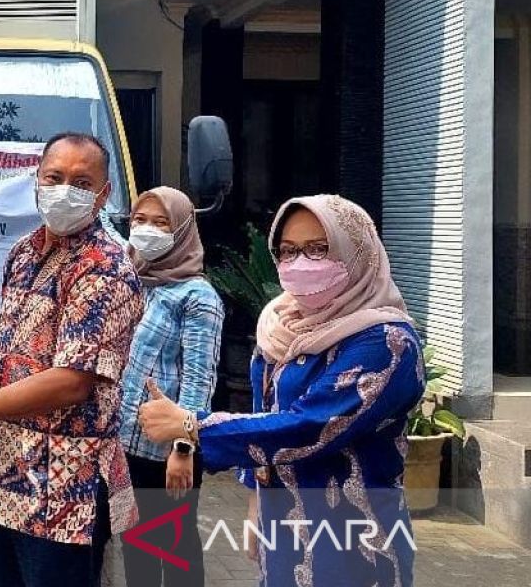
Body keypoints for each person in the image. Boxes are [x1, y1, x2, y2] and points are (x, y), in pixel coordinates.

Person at [139, 195, 424, 587]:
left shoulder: (387, 343)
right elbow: (263, 410)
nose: (300, 263)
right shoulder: (280, 325)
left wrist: (192, 426)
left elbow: (309, 425)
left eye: (318, 249)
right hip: (285, 529)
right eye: (288, 252)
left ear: (357, 251)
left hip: (355, 541)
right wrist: (256, 500)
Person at [0, 132, 143, 587]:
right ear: (36, 181)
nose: (64, 191)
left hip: (64, 497)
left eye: (81, 182)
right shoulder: (23, 254)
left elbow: (72, 381)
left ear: (103, 194)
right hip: (4, 481)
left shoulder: (105, 267)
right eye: (54, 177)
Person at [118, 187, 223, 587]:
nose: (147, 230)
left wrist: (183, 449)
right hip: (127, 447)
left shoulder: (198, 297)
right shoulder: (135, 280)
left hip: (168, 451)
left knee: (176, 554)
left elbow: (199, 381)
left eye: (161, 223)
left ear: (181, 230)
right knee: (137, 550)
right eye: (139, 221)